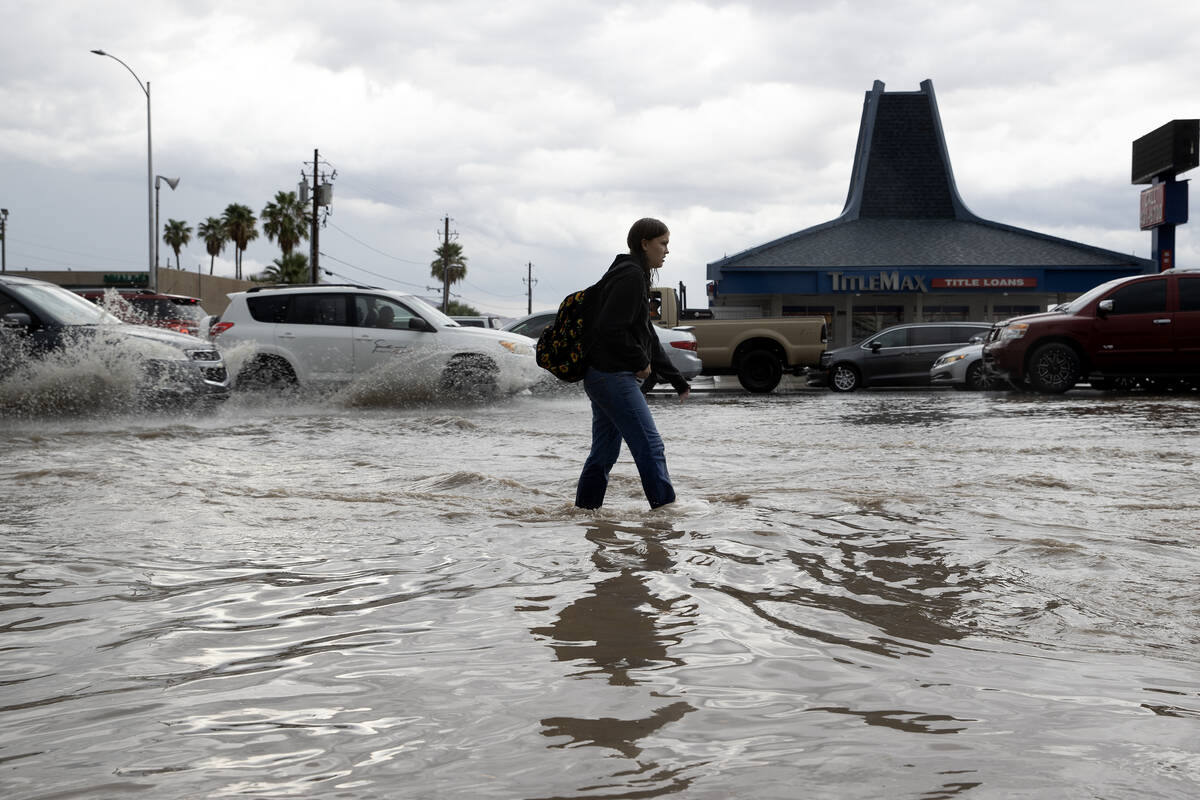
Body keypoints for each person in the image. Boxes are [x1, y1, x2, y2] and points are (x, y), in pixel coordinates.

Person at [575, 218, 690, 510]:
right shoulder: (631, 276)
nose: (666, 250)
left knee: (603, 453)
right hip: (612, 376)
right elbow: (610, 327)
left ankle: (585, 513)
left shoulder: (629, 273)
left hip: (601, 376)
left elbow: (646, 333)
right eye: (662, 243)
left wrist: (675, 378)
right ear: (644, 243)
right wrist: (640, 362)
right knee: (650, 446)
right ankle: (665, 512)